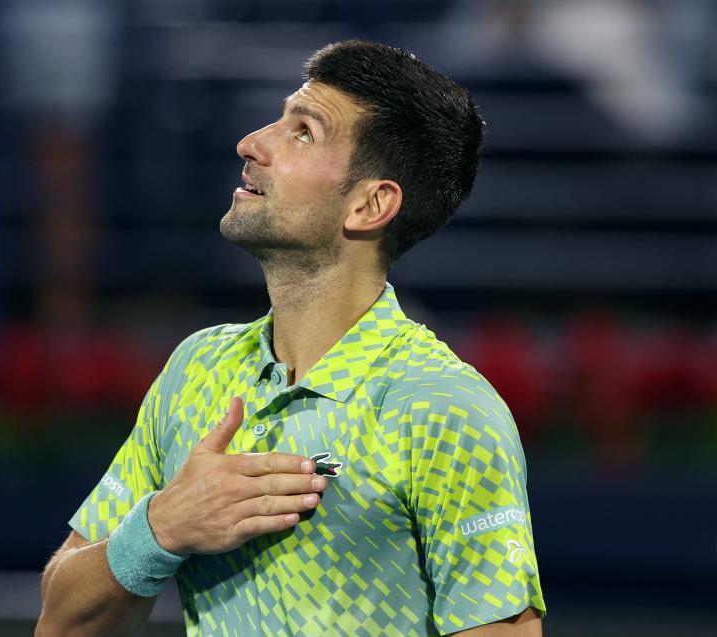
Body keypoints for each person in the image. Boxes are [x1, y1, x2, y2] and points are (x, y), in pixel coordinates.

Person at [35, 39, 546, 637]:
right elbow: (61, 623)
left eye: (303, 132)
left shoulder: (444, 411)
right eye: (279, 120)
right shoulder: (196, 368)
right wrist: (160, 528)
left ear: (370, 204)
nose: (251, 144)